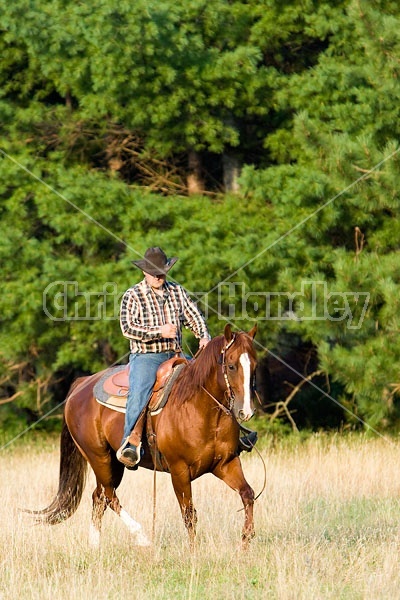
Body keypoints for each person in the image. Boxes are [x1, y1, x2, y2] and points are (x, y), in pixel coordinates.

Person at [117, 247, 211, 469]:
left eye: (162, 272)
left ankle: (226, 432)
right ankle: (130, 442)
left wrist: (203, 335)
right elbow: (127, 327)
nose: (159, 277)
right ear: (144, 272)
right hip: (147, 356)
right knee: (140, 391)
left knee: (208, 379)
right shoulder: (133, 295)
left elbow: (193, 315)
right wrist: (159, 331)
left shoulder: (177, 291)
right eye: (154, 273)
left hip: (176, 354)